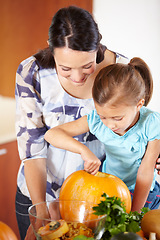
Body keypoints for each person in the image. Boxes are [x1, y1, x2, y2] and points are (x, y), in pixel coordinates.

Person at [15, 5, 160, 240]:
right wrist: (41, 213)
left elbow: (140, 125)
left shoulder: (120, 70)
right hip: (43, 195)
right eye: (65, 68)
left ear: (97, 48)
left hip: (101, 202)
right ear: (53, 52)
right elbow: (34, 148)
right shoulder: (32, 72)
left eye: (87, 66)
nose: (77, 77)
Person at [44, 57, 160, 213]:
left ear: (139, 104)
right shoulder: (97, 121)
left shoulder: (151, 123)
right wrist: (84, 151)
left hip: (143, 192)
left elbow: (146, 171)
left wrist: (134, 213)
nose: (110, 125)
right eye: (103, 116)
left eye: (117, 118)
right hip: (109, 190)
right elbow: (52, 134)